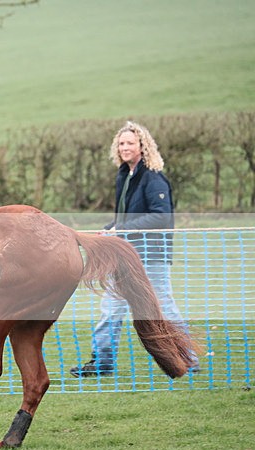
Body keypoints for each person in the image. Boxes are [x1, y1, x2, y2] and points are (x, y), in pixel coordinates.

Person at [70, 121, 199, 377]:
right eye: (121, 143)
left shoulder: (153, 177)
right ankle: (102, 363)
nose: (124, 147)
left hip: (152, 255)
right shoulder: (124, 175)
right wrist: (110, 229)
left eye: (130, 142)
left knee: (162, 305)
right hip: (126, 255)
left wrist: (122, 229)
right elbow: (124, 218)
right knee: (111, 306)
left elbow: (161, 217)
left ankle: (189, 359)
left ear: (142, 146)